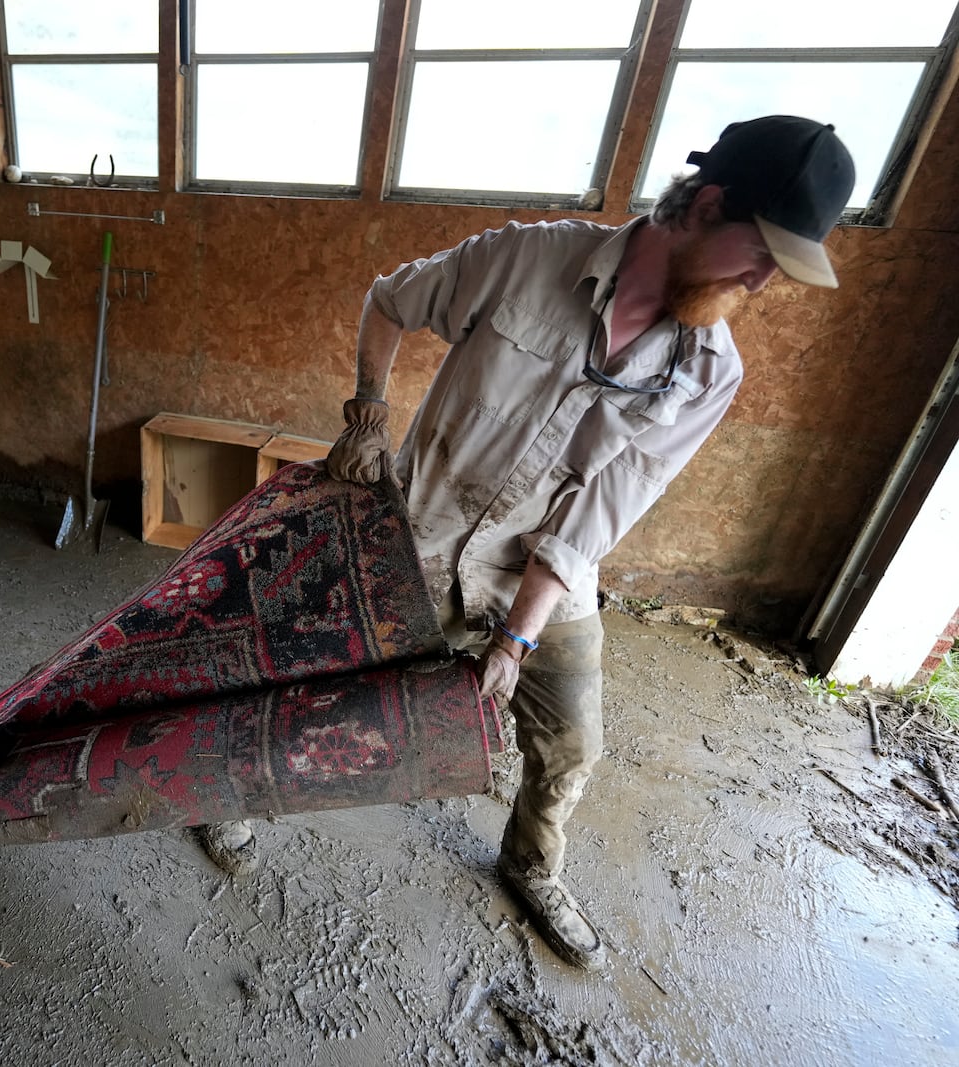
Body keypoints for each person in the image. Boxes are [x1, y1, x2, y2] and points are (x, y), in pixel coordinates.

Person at [202, 116, 856, 969]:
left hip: (544, 572)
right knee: (315, 668)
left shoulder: (707, 371)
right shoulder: (526, 259)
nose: (766, 280)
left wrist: (519, 635)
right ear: (706, 204)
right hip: (424, 535)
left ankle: (532, 862)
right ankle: (237, 786)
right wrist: (368, 414)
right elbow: (389, 300)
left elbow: (604, 508)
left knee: (572, 736)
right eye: (763, 250)